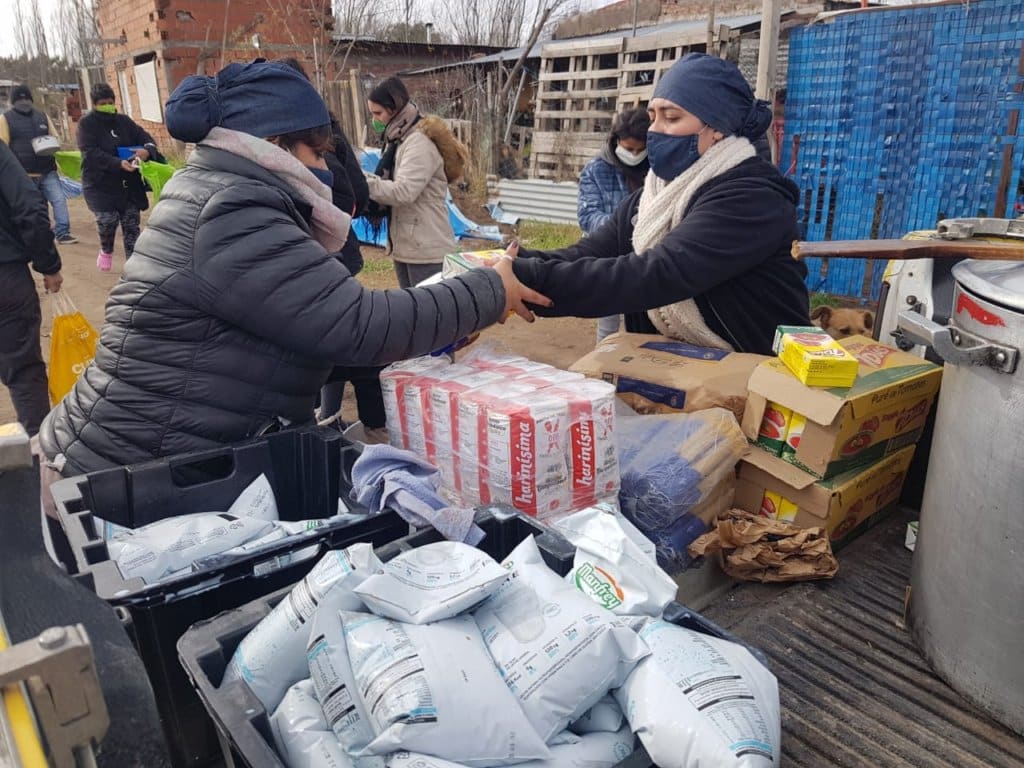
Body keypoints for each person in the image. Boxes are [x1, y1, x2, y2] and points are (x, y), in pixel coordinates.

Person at [39, 59, 548, 482]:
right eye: (317, 152)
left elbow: (308, 329)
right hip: (124, 474)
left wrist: (438, 330)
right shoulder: (231, 211)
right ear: (274, 145)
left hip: (161, 457)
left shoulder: (219, 189)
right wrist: (488, 289)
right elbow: (358, 324)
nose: (327, 170)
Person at [510, 53, 810, 355]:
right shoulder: (651, 197)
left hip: (760, 374)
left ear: (717, 128)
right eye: (653, 116)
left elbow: (656, 273)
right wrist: (509, 262)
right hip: (687, 372)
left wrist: (526, 278)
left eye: (672, 117)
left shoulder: (751, 198)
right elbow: (587, 252)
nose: (655, 130)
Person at [276, 57, 388, 443]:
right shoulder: (267, 197)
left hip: (327, 264)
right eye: (318, 155)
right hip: (312, 270)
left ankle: (333, 420)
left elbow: (351, 195)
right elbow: (351, 194)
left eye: (326, 155)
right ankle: (317, 427)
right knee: (334, 350)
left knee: (350, 348)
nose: (323, 166)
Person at [364, 76, 467, 287]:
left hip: (427, 249)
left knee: (430, 317)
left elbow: (404, 191)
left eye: (378, 113)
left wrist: (363, 182)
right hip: (409, 246)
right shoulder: (399, 140)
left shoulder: (418, 143)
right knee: (415, 315)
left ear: (394, 109)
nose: (375, 120)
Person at [0, 138, 63, 437]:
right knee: (24, 372)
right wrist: (48, 264)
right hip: (5, 279)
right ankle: (42, 462)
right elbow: (29, 206)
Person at [577, 108, 650, 343]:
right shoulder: (596, 170)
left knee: (647, 324)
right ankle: (604, 372)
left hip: (648, 254)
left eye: (640, 150)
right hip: (610, 256)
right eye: (629, 149)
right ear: (617, 141)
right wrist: (624, 227)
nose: (635, 155)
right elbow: (588, 216)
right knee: (608, 324)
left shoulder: (656, 168)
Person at [77, 82, 160, 272]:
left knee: (131, 224)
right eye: (103, 102)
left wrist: (146, 151)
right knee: (108, 221)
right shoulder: (86, 125)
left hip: (127, 183)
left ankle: (134, 266)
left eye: (110, 101)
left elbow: (146, 138)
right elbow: (90, 153)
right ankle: (106, 249)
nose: (108, 105)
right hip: (101, 184)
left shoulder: (124, 122)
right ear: (95, 104)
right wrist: (116, 163)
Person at [0, 84, 77, 245]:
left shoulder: (42, 116)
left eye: (25, 98)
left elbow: (55, 139)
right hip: (23, 174)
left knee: (57, 201)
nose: (24, 101)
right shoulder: (5, 119)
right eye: (21, 99)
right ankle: (42, 235)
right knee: (36, 206)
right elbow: (3, 147)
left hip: (47, 170)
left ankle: (62, 233)